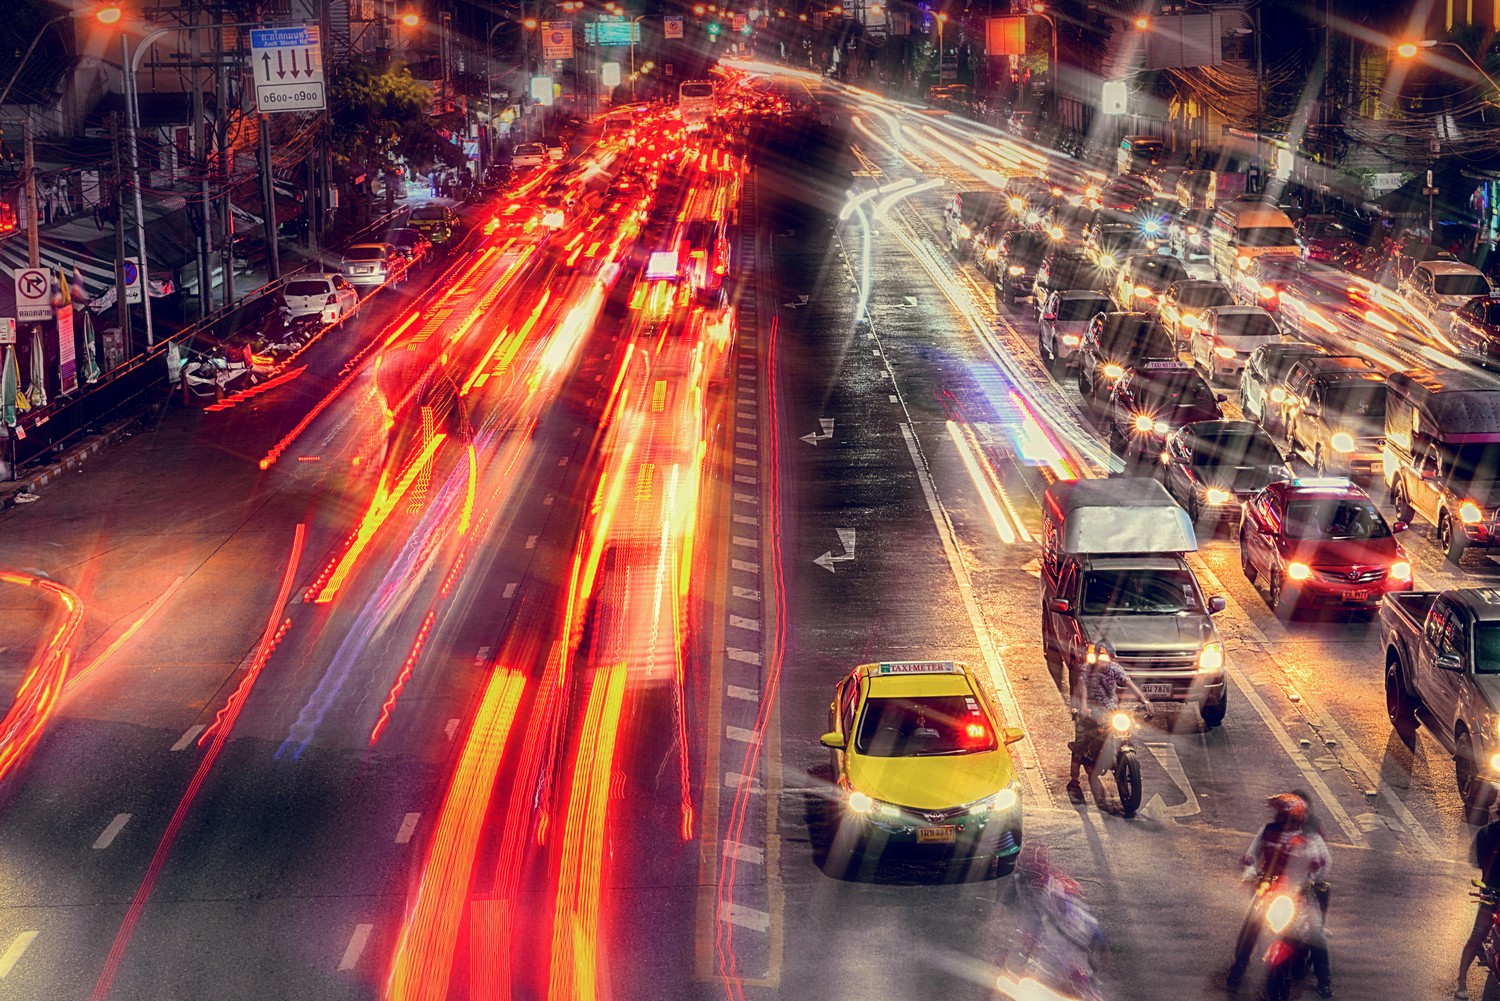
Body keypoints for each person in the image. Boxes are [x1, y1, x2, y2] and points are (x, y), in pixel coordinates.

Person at [1229, 793, 1334, 997]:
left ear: (1299, 818)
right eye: (1280, 816)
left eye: (1288, 818)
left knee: (1316, 934)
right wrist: (1250, 874)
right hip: (1270, 891)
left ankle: (1325, 979)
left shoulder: (1311, 839)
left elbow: (1324, 863)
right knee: (1249, 927)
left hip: (1299, 895)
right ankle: (1238, 968)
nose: (1282, 821)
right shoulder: (1266, 831)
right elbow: (1252, 856)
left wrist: (1312, 878)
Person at [1066, 639, 1153, 809]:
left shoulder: (1114, 669)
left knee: (1125, 733)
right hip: (1090, 711)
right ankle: (1074, 781)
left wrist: (1144, 700)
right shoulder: (1087, 669)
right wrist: (1083, 706)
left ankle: (1121, 760)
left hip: (1110, 711)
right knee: (1081, 743)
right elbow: (1082, 686)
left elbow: (1129, 683)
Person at [1456, 816, 1500, 999]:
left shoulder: (1486, 832)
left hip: (1490, 888)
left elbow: (1478, 862)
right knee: (1478, 934)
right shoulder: (1489, 833)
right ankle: (1461, 981)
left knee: (1478, 934)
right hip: (1492, 893)